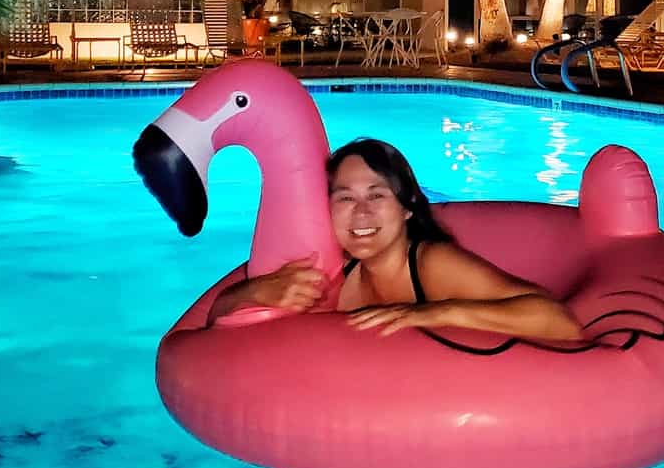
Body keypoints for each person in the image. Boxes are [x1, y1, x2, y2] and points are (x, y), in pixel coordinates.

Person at [206, 137, 583, 341]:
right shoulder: (329, 271)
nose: (362, 213)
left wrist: (438, 311)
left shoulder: (432, 265)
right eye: (345, 198)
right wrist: (254, 292)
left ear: (406, 207)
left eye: (377, 194)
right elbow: (217, 330)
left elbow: (559, 321)